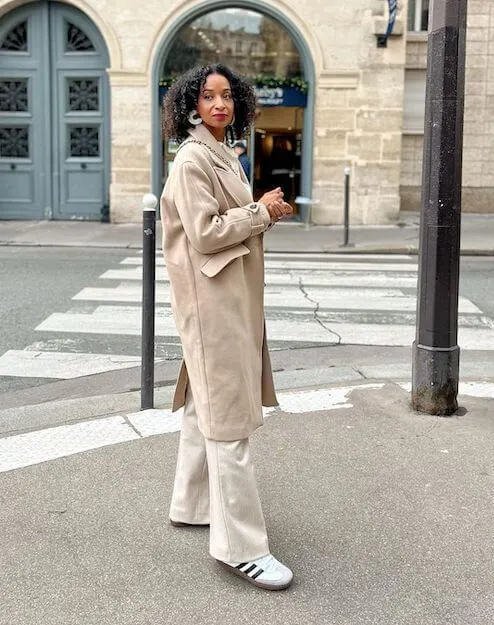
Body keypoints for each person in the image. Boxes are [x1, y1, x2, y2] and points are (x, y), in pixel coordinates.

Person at [160, 64, 294, 591]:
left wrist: (264, 210)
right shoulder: (193, 158)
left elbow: (233, 218)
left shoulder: (223, 153)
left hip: (228, 298)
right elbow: (206, 233)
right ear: (191, 104)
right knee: (229, 420)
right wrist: (259, 213)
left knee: (205, 408)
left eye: (226, 96)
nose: (220, 104)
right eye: (208, 96)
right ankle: (241, 548)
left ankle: (191, 504)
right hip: (211, 303)